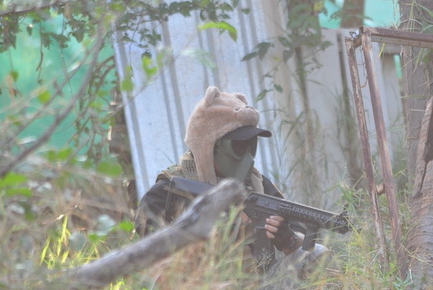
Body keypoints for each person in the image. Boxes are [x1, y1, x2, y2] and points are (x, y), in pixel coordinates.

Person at [136, 86, 319, 270]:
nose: (247, 153)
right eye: (239, 145)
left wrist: (287, 237)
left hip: (260, 284)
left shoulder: (258, 184)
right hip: (203, 284)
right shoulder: (172, 187)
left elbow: (298, 239)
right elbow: (148, 242)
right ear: (210, 146)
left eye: (251, 143)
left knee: (319, 257)